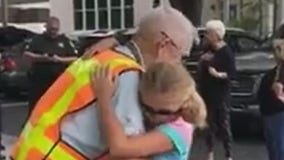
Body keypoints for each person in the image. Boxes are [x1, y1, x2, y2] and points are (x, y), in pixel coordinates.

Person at [11, 6, 196, 160]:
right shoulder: (128, 75)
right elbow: (125, 151)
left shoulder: (101, 56)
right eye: (182, 55)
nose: (179, 63)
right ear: (164, 44)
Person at [91, 62, 207, 159]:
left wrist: (104, 100)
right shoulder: (167, 117)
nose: (153, 116)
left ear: (184, 105)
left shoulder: (178, 130)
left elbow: (119, 148)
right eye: (146, 108)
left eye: (164, 112)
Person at [24, 16, 78, 114]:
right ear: (46, 27)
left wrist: (60, 59)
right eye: (52, 29)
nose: (54, 32)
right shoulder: (37, 40)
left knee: (57, 107)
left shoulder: (64, 40)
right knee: (37, 107)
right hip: (39, 82)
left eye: (56, 29)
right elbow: (27, 54)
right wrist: (41, 58)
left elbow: (75, 58)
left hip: (58, 81)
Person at [198, 20, 236, 160]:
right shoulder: (207, 50)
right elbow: (201, 68)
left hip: (221, 94)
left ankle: (228, 155)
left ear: (216, 34)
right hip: (208, 93)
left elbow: (232, 73)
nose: (206, 36)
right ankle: (210, 154)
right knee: (210, 125)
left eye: (208, 33)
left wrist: (218, 74)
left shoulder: (226, 52)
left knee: (224, 124)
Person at [258, 25, 284, 160]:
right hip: (270, 112)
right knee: (275, 149)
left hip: (277, 113)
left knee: (279, 149)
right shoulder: (277, 69)